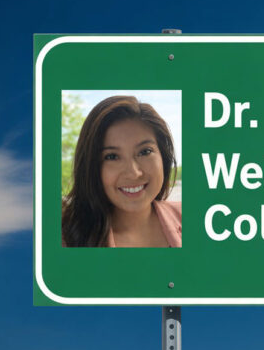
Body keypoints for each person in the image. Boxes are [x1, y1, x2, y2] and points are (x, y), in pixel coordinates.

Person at [62, 95, 181, 247]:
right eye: (112, 156)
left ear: (163, 157)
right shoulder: (62, 238)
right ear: (91, 167)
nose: (134, 173)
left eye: (145, 152)